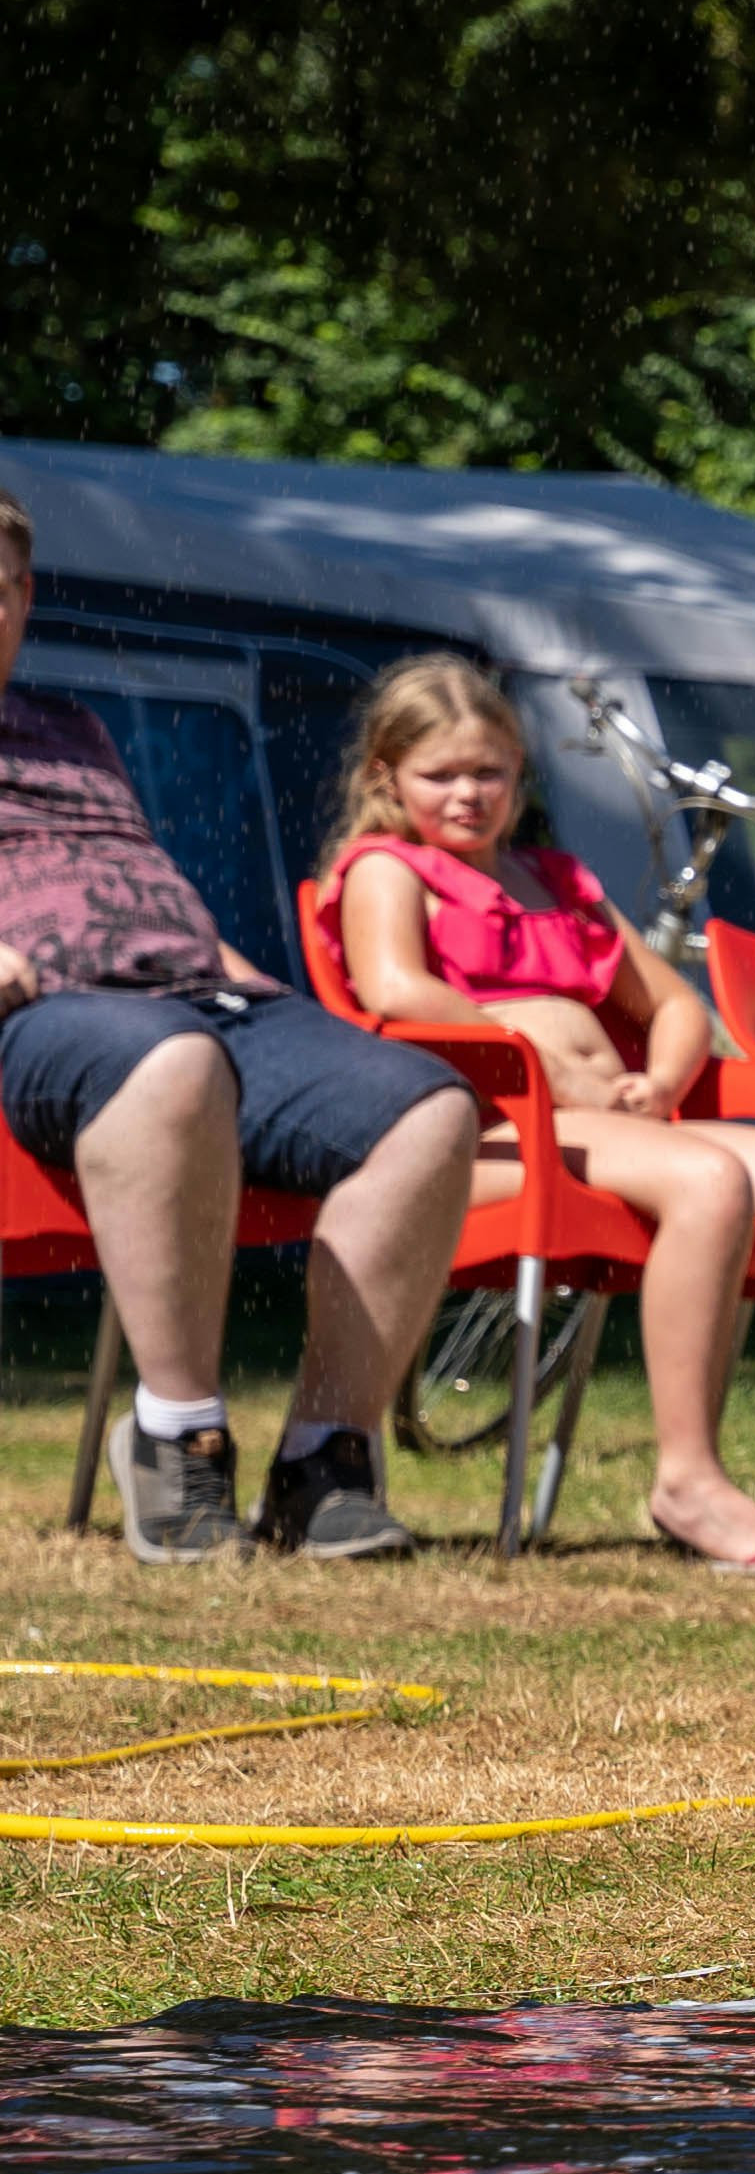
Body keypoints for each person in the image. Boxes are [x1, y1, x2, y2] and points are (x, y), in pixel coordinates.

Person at [319, 655, 755, 1575]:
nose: (468, 794)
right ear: (386, 777)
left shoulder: (557, 880)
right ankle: (687, 1478)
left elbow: (673, 1004)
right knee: (712, 1180)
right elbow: (397, 989)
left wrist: (662, 1081)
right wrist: (546, 1062)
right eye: (441, 775)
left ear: (519, 771)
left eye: (489, 772)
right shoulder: (390, 871)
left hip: (614, 1122)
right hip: (494, 1127)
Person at [0, 487, 479, 1559]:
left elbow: (135, 879)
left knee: (427, 1108)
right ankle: (177, 1437)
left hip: (203, 999)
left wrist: (262, 993)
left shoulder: (71, 731)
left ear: (23, 598)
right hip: (45, 1024)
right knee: (170, 1062)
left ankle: (325, 1461)